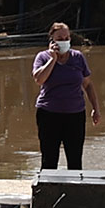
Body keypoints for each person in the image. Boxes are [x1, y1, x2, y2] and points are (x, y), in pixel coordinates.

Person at [32, 21, 99, 170]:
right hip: (49, 114)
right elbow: (39, 79)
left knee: (75, 160)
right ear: (52, 40)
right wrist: (52, 59)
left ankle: (75, 192)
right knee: (49, 159)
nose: (64, 41)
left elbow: (87, 84)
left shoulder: (78, 57)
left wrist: (95, 108)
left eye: (67, 38)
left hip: (75, 114)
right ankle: (48, 191)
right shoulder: (42, 57)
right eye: (60, 39)